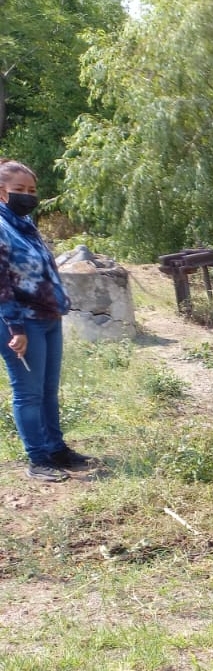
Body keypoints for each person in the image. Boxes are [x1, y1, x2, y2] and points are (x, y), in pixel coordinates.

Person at [1, 160, 87, 482]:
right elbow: (1, 285)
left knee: (49, 390)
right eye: (19, 190)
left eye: (32, 190)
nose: (28, 195)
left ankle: (56, 449)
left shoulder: (26, 224)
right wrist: (16, 328)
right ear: (1, 191)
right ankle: (38, 459)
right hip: (22, 322)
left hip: (49, 317)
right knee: (28, 393)